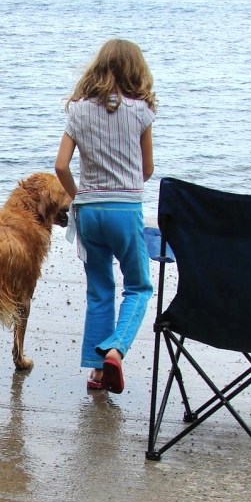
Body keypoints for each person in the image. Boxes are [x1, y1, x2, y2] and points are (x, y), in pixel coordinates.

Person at [55, 39, 156, 394]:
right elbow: (147, 169)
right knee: (139, 286)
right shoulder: (141, 111)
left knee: (100, 290)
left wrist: (75, 194)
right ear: (135, 71)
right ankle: (116, 349)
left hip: (88, 211)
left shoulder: (78, 112)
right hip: (124, 209)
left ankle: (97, 371)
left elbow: (61, 166)